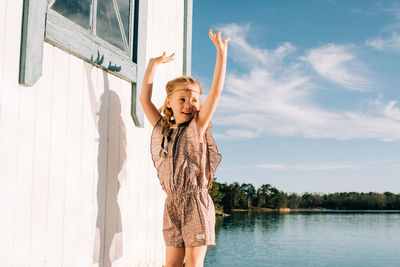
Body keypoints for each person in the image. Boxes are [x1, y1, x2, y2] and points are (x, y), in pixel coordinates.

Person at [140, 29, 229, 267]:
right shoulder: (164, 129)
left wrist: (221, 53)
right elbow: (144, 101)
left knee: (192, 264)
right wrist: (151, 65)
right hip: (173, 203)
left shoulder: (197, 128)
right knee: (170, 264)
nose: (189, 104)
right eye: (182, 99)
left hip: (195, 202)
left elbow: (217, 93)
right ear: (169, 102)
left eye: (194, 100)